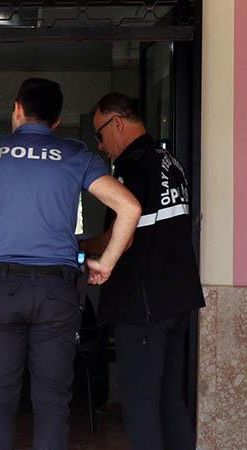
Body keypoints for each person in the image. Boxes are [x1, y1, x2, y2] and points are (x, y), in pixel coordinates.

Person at [0, 78, 142, 450]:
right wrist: (106, 262)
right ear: (56, 121)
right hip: (57, 291)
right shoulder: (76, 154)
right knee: (53, 404)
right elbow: (130, 207)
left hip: (2, 287)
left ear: (17, 109)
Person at [82, 93, 205, 450]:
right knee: (169, 402)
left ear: (117, 123)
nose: (101, 145)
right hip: (177, 299)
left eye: (100, 135)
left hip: (144, 305)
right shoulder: (170, 160)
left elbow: (123, 234)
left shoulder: (132, 165)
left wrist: (82, 245)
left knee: (141, 409)